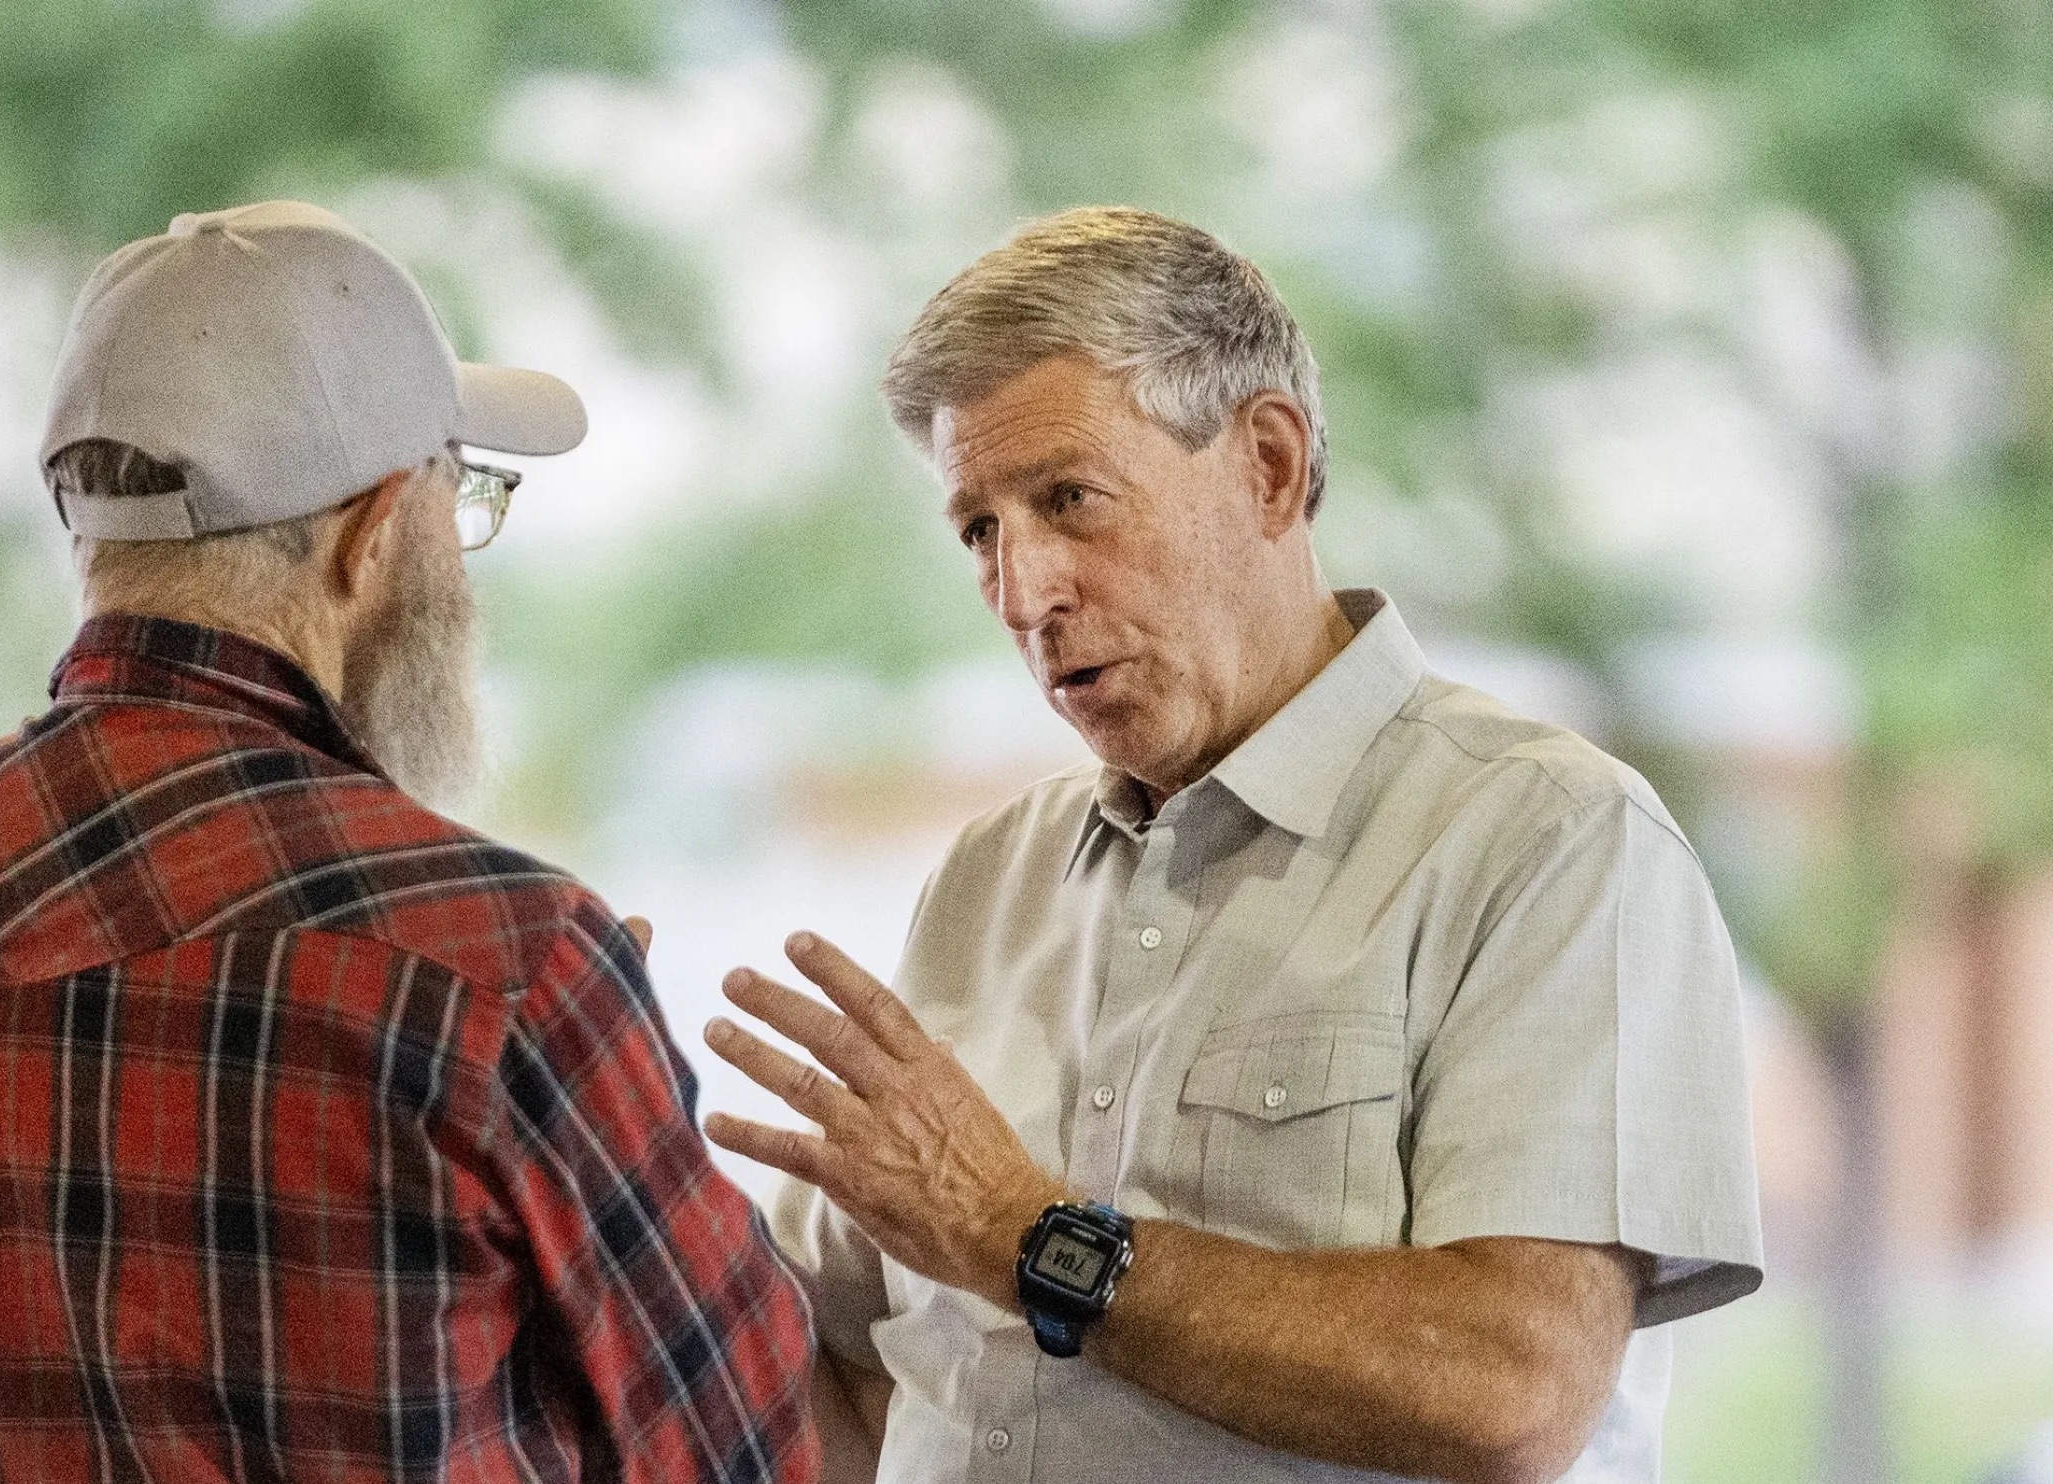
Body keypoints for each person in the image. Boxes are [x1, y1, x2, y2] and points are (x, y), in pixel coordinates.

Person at [700, 206, 1762, 1484]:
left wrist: (1020, 1233)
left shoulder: (1547, 841)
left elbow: (1509, 1385)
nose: (1021, 592)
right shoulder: (984, 880)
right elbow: (845, 1377)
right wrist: (624, 1208)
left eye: (1068, 499)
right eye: (978, 528)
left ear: (1265, 463)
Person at [0, 201, 818, 1484]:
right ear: (371, 532)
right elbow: (746, 1447)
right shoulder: (498, 958)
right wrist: (597, 1073)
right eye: (464, 498)